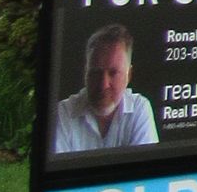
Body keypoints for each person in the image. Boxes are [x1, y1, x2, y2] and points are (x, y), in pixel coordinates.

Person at [52, 23, 159, 154]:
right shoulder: (63, 114)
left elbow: (144, 170)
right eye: (95, 72)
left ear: (128, 75)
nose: (103, 84)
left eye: (113, 73)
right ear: (86, 73)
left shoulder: (139, 109)